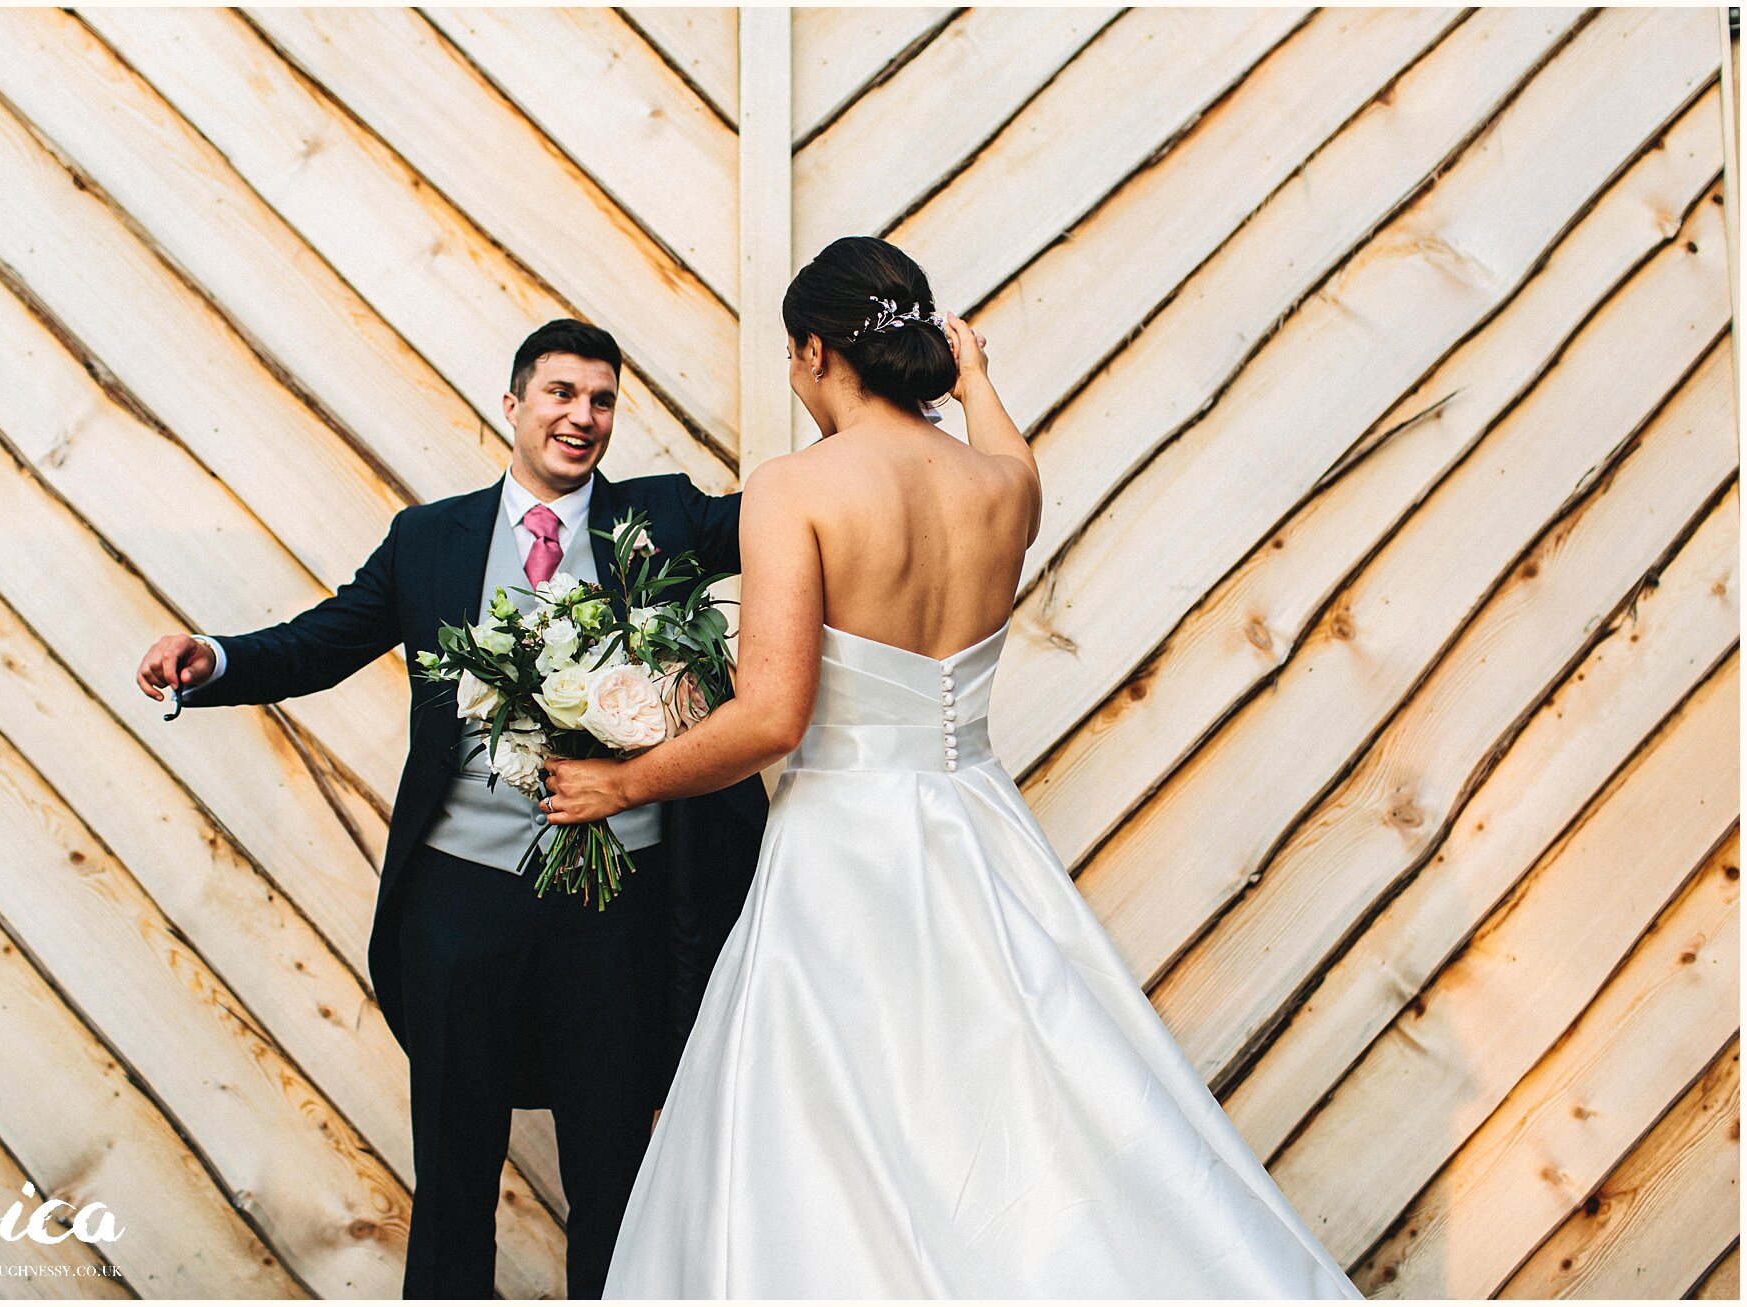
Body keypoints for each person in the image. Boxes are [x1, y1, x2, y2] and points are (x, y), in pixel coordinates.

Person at [539, 238, 1366, 1298]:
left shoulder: (794, 487)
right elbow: (1015, 462)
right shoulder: (999, 488)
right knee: (1016, 1104)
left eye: (795, 358)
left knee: (829, 1129)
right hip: (978, 828)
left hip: (843, 848)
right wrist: (974, 375)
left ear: (816, 349)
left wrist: (621, 782)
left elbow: (772, 717)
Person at [134, 319, 769, 1300]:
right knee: (455, 1171)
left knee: (613, 1167)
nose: (582, 416)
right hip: (463, 899)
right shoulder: (427, 540)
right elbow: (322, 640)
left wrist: (875, 412)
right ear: (511, 405)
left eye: (601, 400)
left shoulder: (664, 518)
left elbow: (780, 520)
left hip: (615, 900)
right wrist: (213, 657)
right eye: (560, 393)